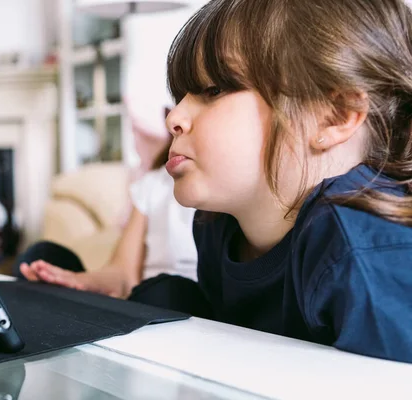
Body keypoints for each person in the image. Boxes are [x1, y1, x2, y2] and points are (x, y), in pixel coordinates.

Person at [164, 0, 412, 363]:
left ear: (334, 116)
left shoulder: (357, 243)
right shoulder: (215, 224)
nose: (174, 117)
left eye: (213, 89)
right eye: (180, 97)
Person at [13, 138, 210, 315]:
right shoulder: (153, 183)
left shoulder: (228, 192)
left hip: (182, 305)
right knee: (41, 255)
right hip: (142, 300)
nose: (173, 117)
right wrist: (81, 281)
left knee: (167, 292)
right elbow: (123, 273)